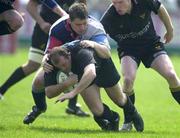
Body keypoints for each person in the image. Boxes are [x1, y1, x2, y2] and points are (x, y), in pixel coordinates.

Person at [0, 0, 89, 120]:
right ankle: (2, 90)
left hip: (67, 32)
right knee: (33, 65)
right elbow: (31, 5)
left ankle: (72, 105)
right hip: (45, 31)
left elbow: (83, 9)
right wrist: (41, 23)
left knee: (72, 64)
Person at [101, 0, 180, 131]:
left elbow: (160, 8)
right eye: (114, 3)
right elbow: (98, 32)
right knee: (127, 80)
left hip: (151, 46)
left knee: (171, 75)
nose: (117, 7)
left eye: (120, 2)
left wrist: (170, 29)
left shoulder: (144, 2)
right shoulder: (109, 16)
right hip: (128, 50)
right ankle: (128, 121)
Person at [46, 40, 144, 131]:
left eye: (64, 65)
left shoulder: (82, 52)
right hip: (83, 74)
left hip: (103, 67)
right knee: (97, 110)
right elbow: (49, 93)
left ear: (69, 56)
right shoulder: (50, 64)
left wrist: (73, 93)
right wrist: (66, 83)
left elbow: (91, 73)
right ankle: (113, 118)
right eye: (60, 67)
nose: (63, 69)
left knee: (119, 100)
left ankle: (133, 112)